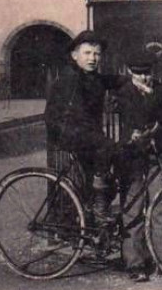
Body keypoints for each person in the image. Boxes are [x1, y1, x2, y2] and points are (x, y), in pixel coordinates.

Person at [44, 30, 122, 222]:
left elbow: (109, 80)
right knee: (107, 148)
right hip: (65, 132)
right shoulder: (71, 78)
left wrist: (133, 80)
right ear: (74, 55)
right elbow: (77, 114)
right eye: (87, 53)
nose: (93, 58)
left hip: (82, 131)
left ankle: (96, 204)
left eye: (96, 54)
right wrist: (100, 138)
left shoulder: (89, 76)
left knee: (107, 168)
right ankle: (98, 206)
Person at [113, 53, 162, 283]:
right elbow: (136, 118)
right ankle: (135, 264)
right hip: (132, 159)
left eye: (147, 72)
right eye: (138, 73)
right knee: (133, 209)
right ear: (130, 72)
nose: (144, 77)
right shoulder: (124, 92)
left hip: (158, 157)